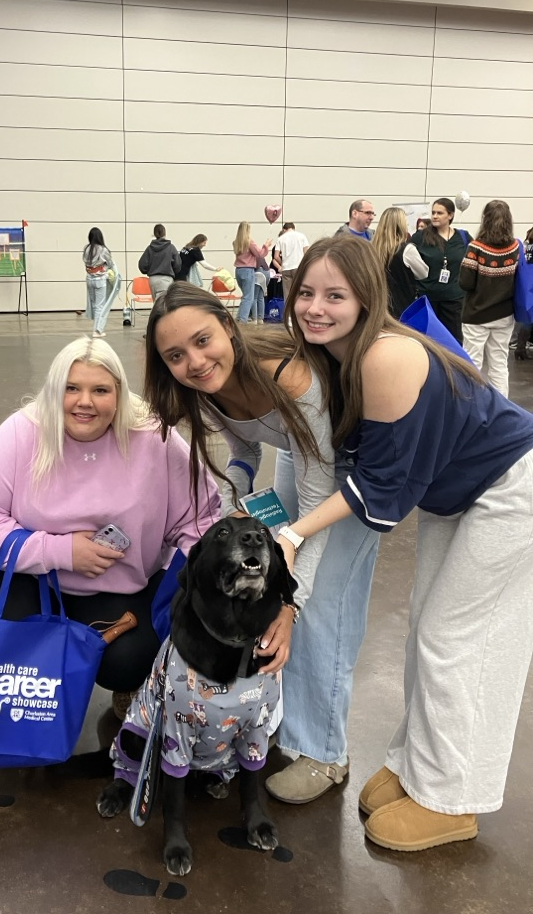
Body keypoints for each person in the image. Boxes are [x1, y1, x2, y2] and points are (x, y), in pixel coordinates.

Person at [275, 235, 533, 851]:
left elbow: (382, 491)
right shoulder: (331, 357)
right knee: (426, 628)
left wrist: (293, 532)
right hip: (459, 493)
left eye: (335, 295)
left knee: (459, 638)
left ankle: (452, 798)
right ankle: (421, 767)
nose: (315, 307)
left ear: (368, 299)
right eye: (306, 292)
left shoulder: (384, 356)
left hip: (511, 483)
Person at [143, 282, 380, 803]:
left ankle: (326, 754)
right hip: (300, 450)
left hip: (352, 471)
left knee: (322, 606)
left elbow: (317, 504)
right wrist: (237, 499)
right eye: (176, 356)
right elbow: (246, 449)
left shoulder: (290, 376)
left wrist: (292, 602)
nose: (196, 362)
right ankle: (289, 724)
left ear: (229, 326)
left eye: (204, 341)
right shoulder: (206, 389)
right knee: (278, 585)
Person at [0, 337, 221, 719]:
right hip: (33, 579)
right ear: (53, 390)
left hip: (115, 588)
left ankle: (121, 687)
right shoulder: (22, 433)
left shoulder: (153, 437)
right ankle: (24, 696)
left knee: (130, 658)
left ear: (120, 394)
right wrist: (59, 552)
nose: (85, 402)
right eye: (71, 388)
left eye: (100, 390)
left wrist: (204, 594)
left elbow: (200, 517)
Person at [459, 200, 519, 396]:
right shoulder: (515, 248)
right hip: (504, 315)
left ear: (484, 219)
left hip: (476, 315)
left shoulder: (476, 247)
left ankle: (472, 407)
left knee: (472, 363)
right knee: (499, 365)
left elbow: (465, 283)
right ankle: (502, 410)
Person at [402, 197, 471, 344]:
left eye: (440, 213)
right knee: (427, 340)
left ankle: (452, 367)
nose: (434, 216)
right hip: (428, 298)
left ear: (450, 215)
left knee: (453, 341)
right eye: (433, 212)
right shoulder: (421, 237)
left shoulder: (463, 237)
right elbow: (405, 258)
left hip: (454, 300)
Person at [370, 207, 416, 318]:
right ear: (401, 225)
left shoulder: (371, 249)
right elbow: (424, 273)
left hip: (378, 306)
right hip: (403, 305)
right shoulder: (406, 249)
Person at [82, 227, 119, 338]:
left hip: (89, 279)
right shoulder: (103, 250)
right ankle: (97, 330)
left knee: (94, 304)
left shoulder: (86, 249)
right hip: (100, 280)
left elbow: (85, 262)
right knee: (100, 306)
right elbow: (110, 263)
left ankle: (96, 327)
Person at [232, 221, 271, 323]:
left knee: (245, 296)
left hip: (238, 270)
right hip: (248, 270)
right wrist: (266, 246)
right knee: (249, 297)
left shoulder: (236, 242)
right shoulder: (249, 242)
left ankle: (240, 317)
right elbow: (260, 254)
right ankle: (243, 320)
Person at [138, 224, 180, 301]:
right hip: (166, 278)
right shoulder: (171, 247)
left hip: (153, 279)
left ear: (154, 234)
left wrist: (148, 270)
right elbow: (177, 264)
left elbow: (142, 264)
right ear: (165, 233)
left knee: (156, 303)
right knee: (162, 305)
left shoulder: (150, 248)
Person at [512, 226, 533, 361]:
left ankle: (520, 347)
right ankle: (520, 349)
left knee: (528, 317)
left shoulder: (527, 246)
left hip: (526, 283)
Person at [274, 222, 309, 299]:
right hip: (298, 267)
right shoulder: (301, 236)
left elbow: (276, 256)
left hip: (286, 268)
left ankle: (288, 310)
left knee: (288, 294)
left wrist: (282, 263)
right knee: (299, 292)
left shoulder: (280, 239)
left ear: (284, 229)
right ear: (293, 228)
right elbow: (306, 253)